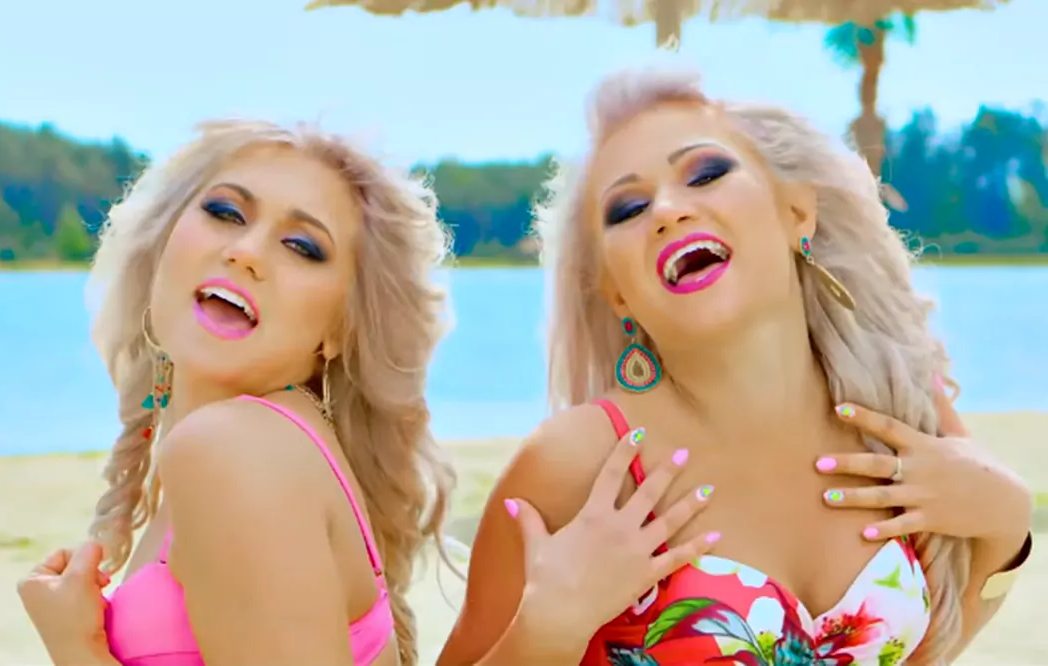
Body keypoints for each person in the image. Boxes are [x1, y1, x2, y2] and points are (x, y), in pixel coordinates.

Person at [14, 118, 720, 666]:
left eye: (303, 247)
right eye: (226, 212)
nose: (246, 252)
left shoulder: (231, 450)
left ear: (339, 331)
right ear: (163, 243)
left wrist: (80, 653)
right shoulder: (267, 445)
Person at [438, 67, 1035, 666]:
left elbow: (934, 644)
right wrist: (547, 630)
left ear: (796, 213)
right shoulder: (579, 465)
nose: (668, 210)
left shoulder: (896, 404)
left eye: (705, 173)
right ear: (616, 294)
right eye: (628, 208)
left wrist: (1008, 524)